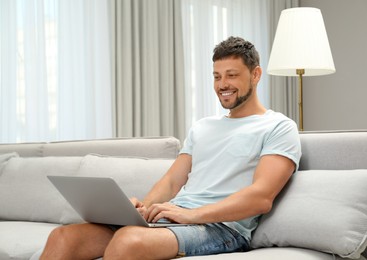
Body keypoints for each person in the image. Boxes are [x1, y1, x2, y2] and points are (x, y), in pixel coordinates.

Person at [40, 36, 301, 260]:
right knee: (63, 237)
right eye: (217, 76)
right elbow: (172, 180)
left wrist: (193, 215)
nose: (222, 85)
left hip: (222, 228)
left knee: (129, 241)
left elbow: (261, 197)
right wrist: (142, 208)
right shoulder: (202, 127)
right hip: (175, 218)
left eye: (232, 75)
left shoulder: (278, 127)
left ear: (255, 75)